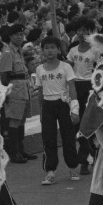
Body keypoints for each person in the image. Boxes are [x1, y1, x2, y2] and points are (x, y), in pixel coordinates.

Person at [33, 36, 79, 185]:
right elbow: (40, 92)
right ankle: (50, 171)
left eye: (53, 47)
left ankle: (72, 167)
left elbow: (72, 88)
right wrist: (41, 112)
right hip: (47, 105)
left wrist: (75, 109)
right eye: (46, 48)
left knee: (68, 137)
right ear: (42, 51)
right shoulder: (39, 69)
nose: (50, 50)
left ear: (58, 50)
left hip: (63, 103)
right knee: (48, 138)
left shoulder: (66, 67)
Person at [66, 18, 102, 174]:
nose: (82, 34)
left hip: (90, 87)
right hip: (75, 86)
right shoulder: (72, 50)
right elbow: (68, 70)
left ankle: (86, 158)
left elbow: (101, 70)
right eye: (79, 30)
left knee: (89, 122)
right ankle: (87, 155)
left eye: (86, 30)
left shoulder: (96, 50)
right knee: (77, 123)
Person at [0, 24, 33, 164]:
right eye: (17, 35)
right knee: (14, 121)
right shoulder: (8, 52)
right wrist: (7, 93)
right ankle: (14, 152)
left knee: (21, 120)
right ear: (10, 36)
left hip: (24, 88)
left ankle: (21, 149)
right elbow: (4, 76)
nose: (20, 37)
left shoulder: (19, 51)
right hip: (15, 89)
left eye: (21, 34)